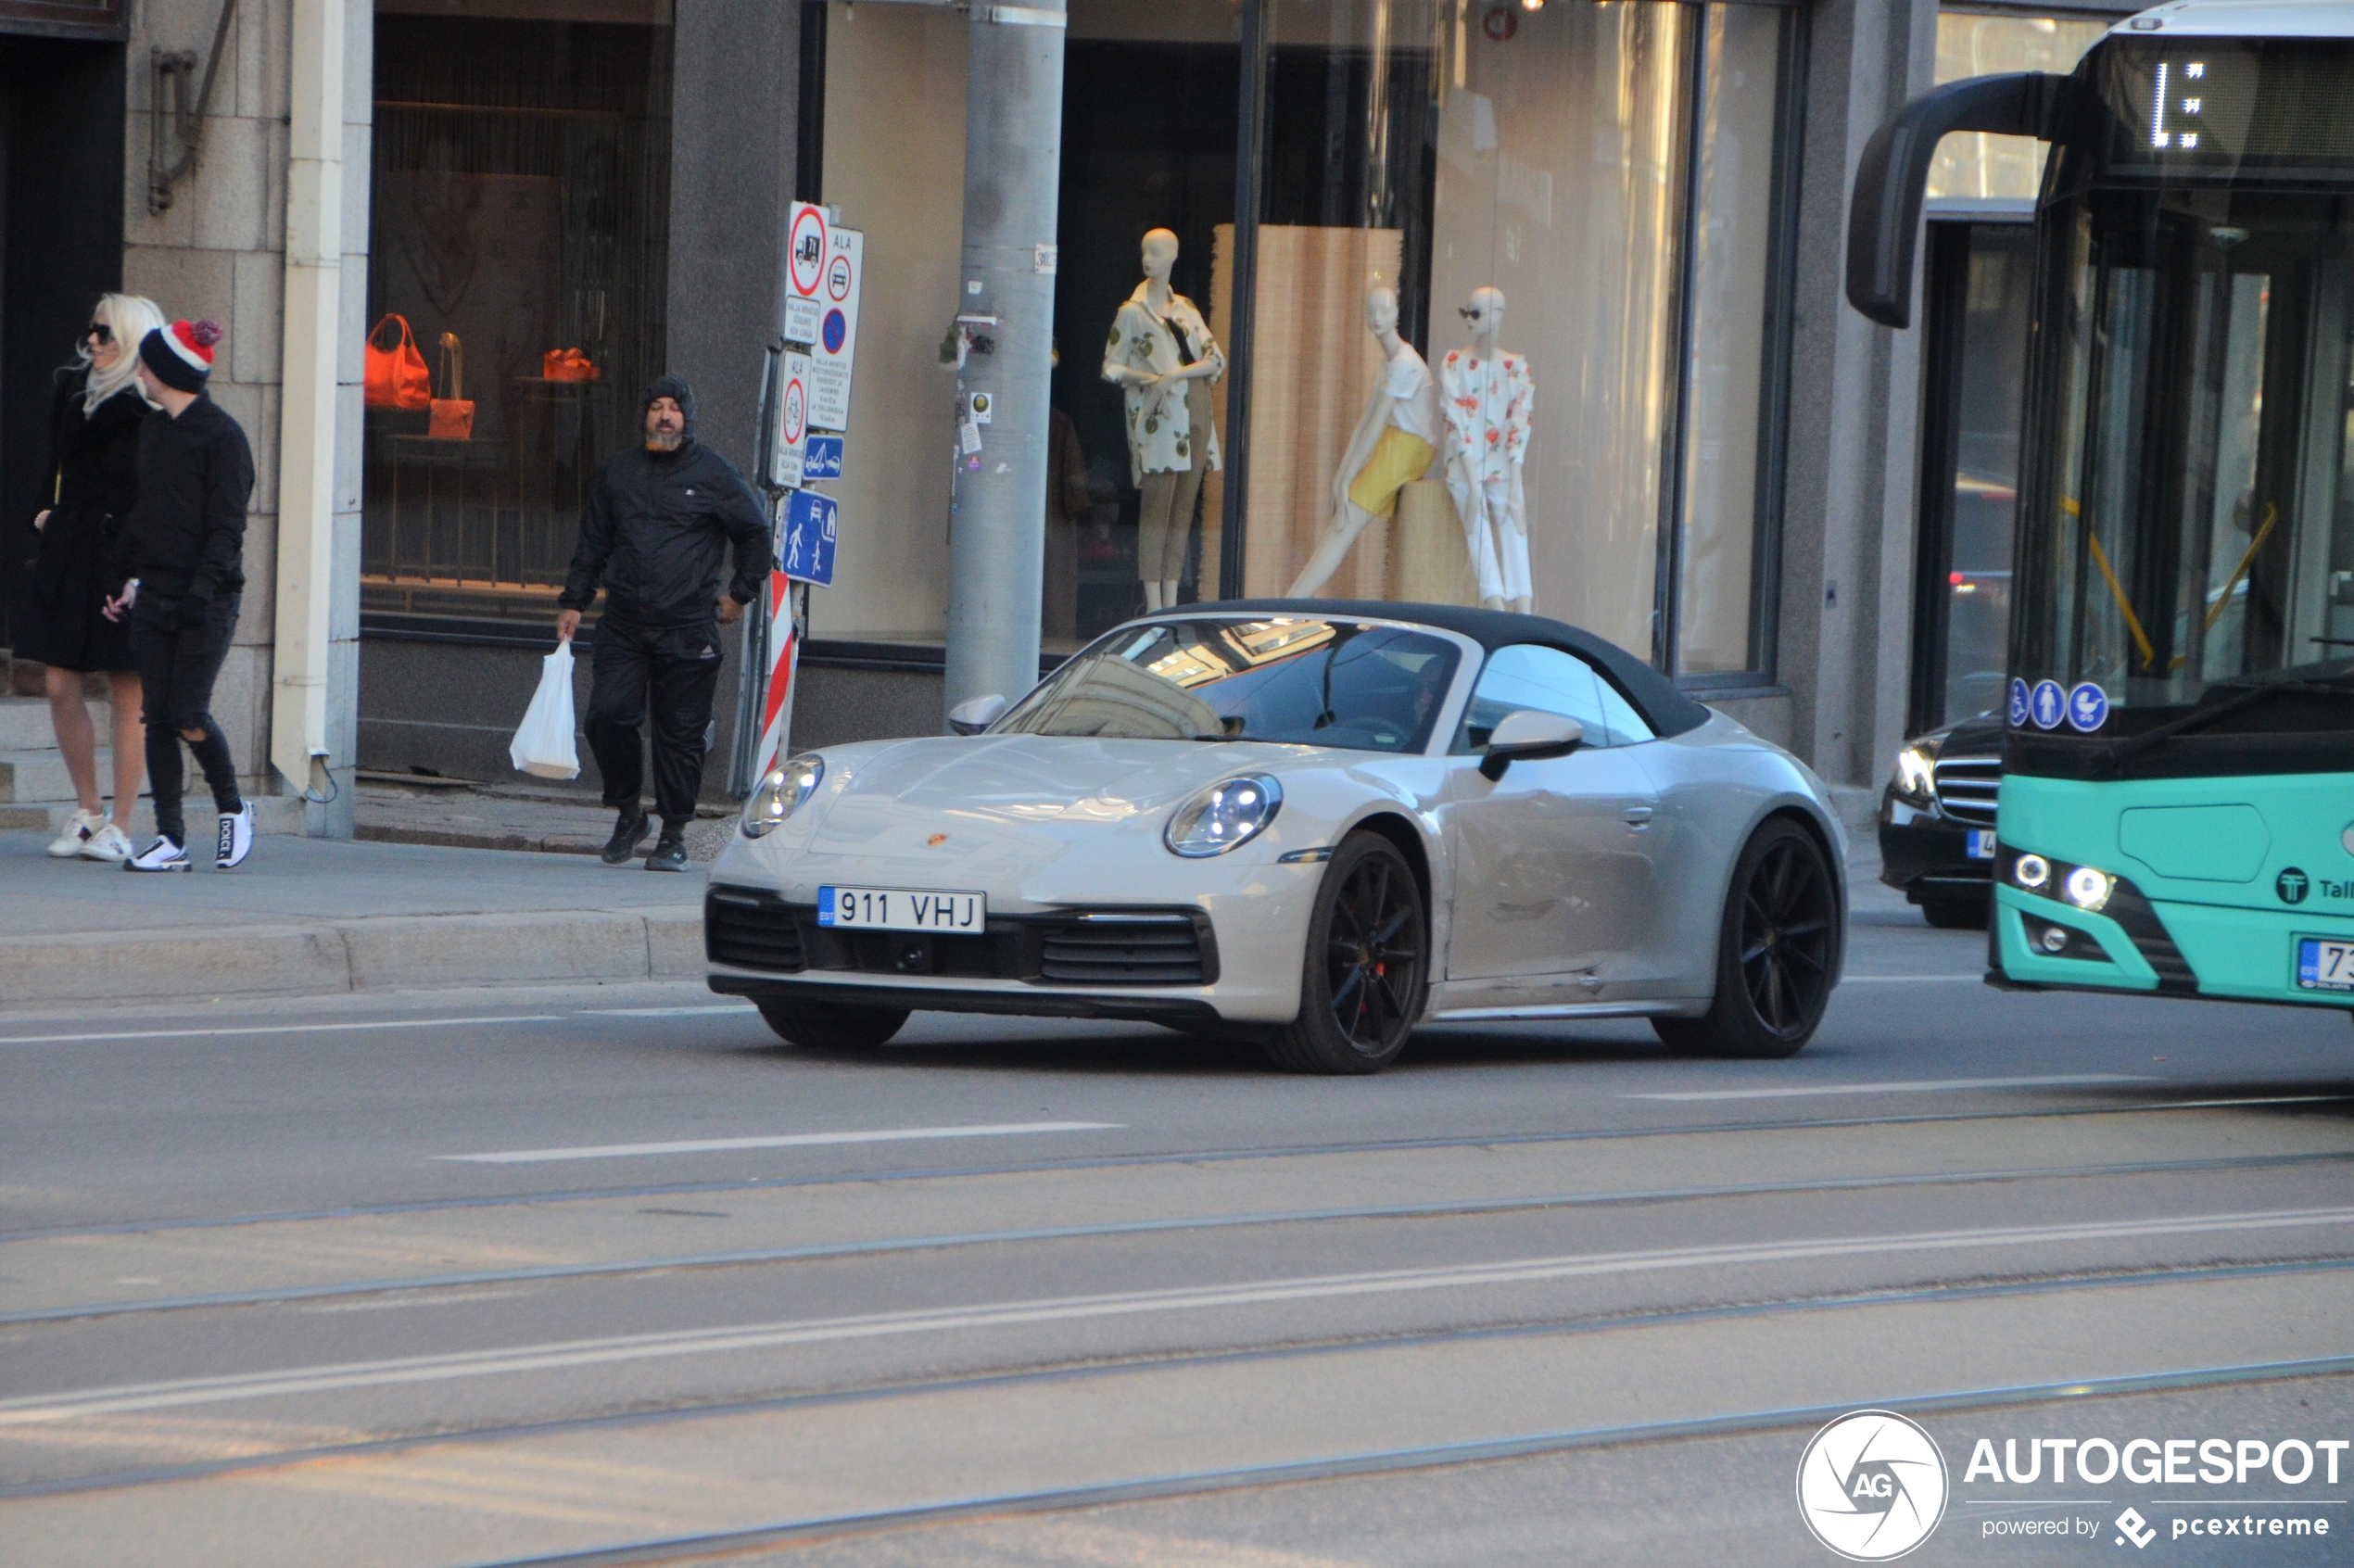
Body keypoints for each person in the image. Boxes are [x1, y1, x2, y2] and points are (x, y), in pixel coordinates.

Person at [556, 376, 767, 872]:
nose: (665, 416)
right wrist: (574, 601)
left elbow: (755, 534)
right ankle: (630, 814)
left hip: (688, 625)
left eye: (674, 408)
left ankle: (673, 833)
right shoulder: (619, 474)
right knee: (607, 717)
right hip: (624, 624)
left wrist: (739, 594)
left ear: (688, 418)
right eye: (656, 407)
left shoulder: (715, 474)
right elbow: (593, 543)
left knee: (680, 734)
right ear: (644, 416)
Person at [100, 319, 257, 873]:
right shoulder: (156, 430)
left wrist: (201, 592)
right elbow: (148, 515)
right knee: (157, 717)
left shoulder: (223, 438)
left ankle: (233, 809)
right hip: (156, 592)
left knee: (188, 711)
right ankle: (170, 838)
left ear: (167, 371)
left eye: (146, 362)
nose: (139, 370)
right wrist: (120, 577)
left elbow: (226, 528)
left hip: (206, 599)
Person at [18, 295, 165, 862]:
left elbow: (153, 492)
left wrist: (139, 565)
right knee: (59, 681)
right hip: (70, 543)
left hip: (123, 550)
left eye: (106, 334)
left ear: (130, 339)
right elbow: (50, 463)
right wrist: (41, 518)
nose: (94, 342)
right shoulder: (73, 390)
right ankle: (88, 809)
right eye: (92, 331)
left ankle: (122, 823)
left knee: (129, 688)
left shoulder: (147, 405)